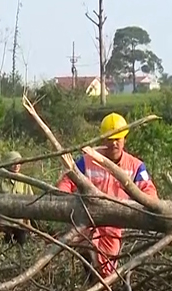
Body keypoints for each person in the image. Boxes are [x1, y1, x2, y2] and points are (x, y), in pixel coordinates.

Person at [56, 112, 159, 281]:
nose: (114, 143)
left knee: (108, 271)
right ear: (103, 140)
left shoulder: (136, 166)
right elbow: (68, 181)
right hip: (89, 221)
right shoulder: (86, 161)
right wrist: (63, 199)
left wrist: (146, 208)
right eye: (110, 139)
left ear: (125, 139)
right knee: (82, 251)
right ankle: (91, 282)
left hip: (117, 223)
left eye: (118, 139)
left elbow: (149, 192)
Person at [0, 150, 34, 245]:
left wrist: (28, 225)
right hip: (2, 225)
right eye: (14, 163)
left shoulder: (24, 180)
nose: (17, 166)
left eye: (19, 163)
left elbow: (29, 205)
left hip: (19, 225)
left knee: (21, 252)